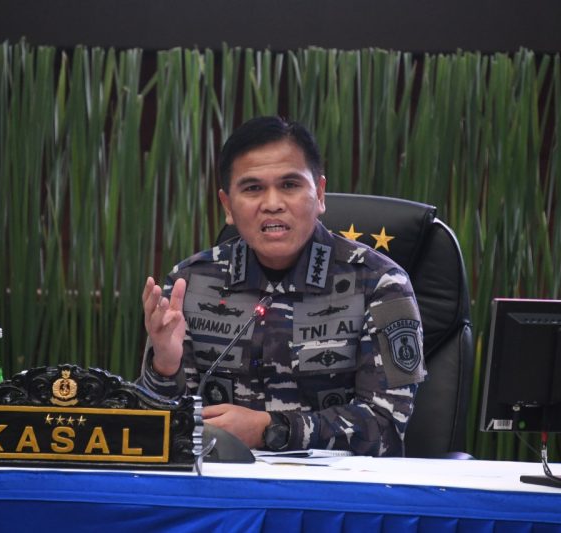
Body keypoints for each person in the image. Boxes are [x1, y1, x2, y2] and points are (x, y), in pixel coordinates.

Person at [138, 116, 426, 456]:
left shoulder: (380, 283)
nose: (272, 203)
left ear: (319, 194)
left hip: (333, 486)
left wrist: (269, 429)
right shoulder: (190, 282)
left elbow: (386, 427)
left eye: (289, 185)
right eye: (252, 188)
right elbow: (157, 429)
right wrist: (164, 367)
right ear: (228, 206)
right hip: (222, 480)